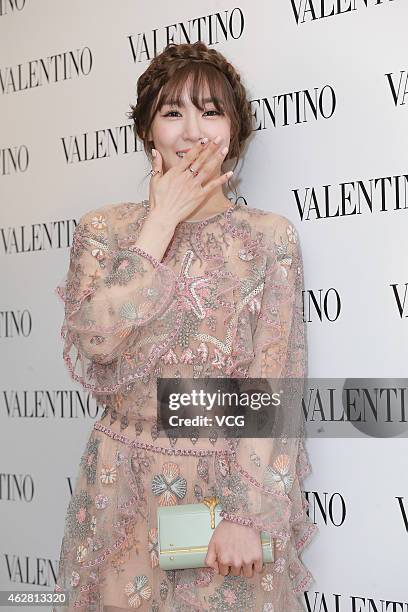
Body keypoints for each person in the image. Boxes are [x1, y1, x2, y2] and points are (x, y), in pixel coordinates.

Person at [52, 41, 318, 611]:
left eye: (211, 111)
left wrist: (247, 513)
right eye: (173, 112)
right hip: (123, 483)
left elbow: (273, 381)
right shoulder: (104, 229)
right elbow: (97, 340)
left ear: (235, 133)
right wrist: (161, 221)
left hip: (226, 487)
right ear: (148, 130)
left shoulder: (270, 238)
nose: (193, 131)